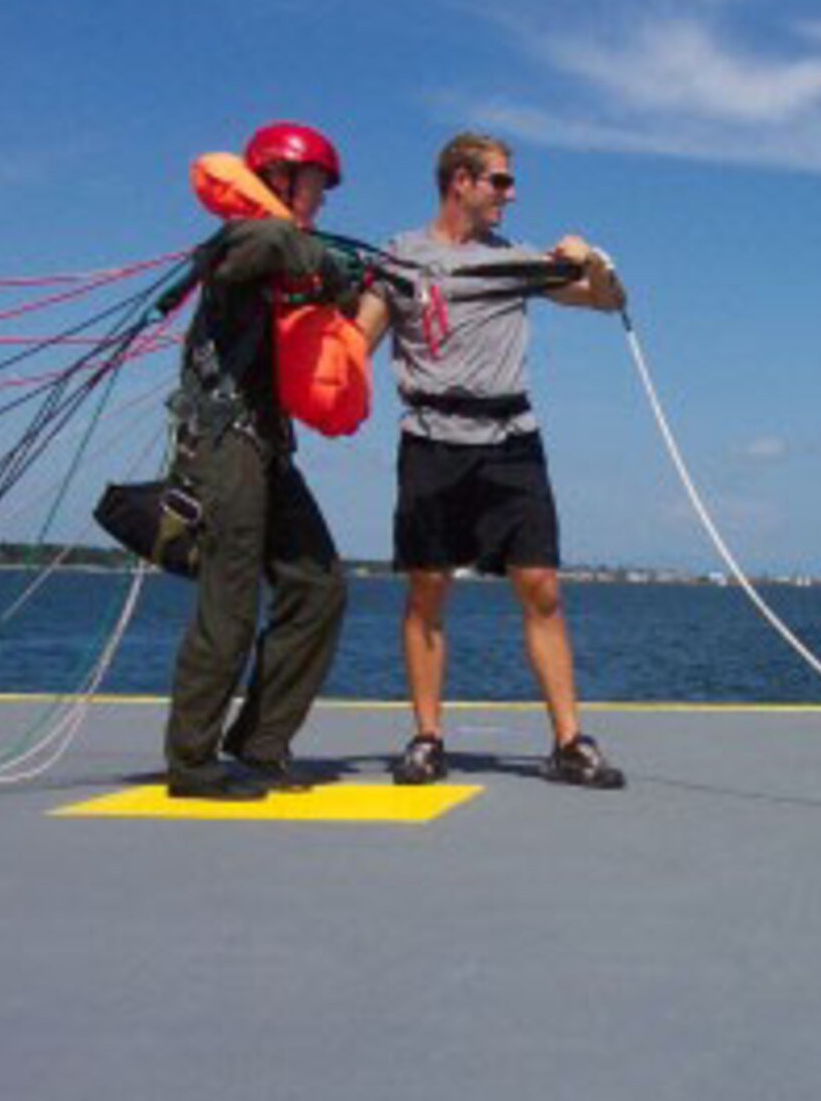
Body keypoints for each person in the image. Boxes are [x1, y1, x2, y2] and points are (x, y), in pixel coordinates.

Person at [355, 131, 628, 789]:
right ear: (461, 182)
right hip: (430, 440)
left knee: (542, 588)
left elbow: (607, 300)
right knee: (428, 591)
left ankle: (569, 741)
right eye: (501, 181)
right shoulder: (398, 256)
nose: (512, 193)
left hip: (511, 439)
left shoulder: (517, 260)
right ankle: (427, 738)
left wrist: (591, 261)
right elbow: (354, 342)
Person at [162, 121, 357, 801]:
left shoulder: (288, 252)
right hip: (224, 441)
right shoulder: (242, 239)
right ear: (279, 177)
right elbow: (265, 245)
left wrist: (342, 280)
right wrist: (323, 259)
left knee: (319, 584)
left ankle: (260, 740)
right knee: (232, 598)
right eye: (315, 184)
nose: (323, 199)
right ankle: (191, 761)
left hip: (268, 443)